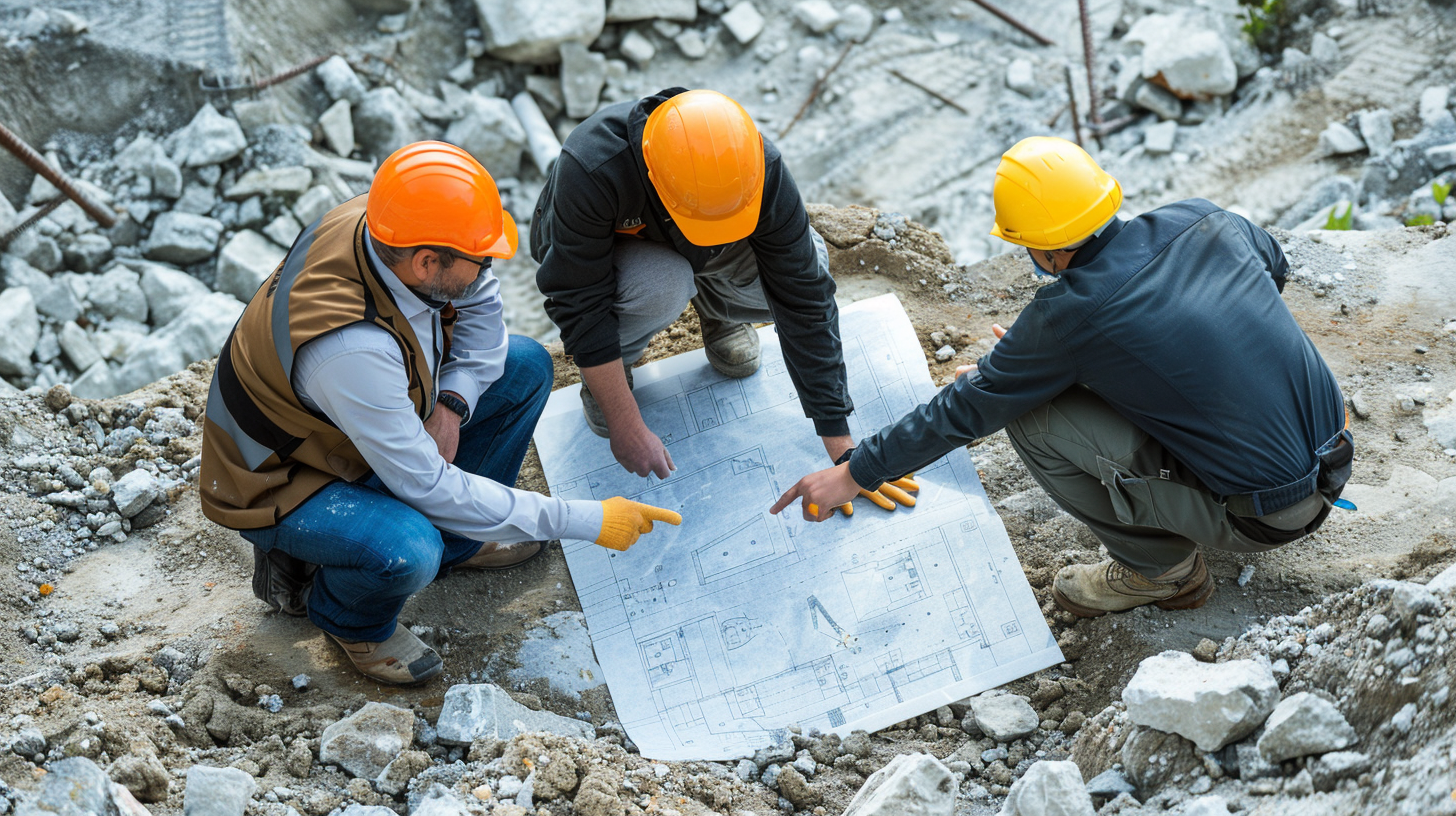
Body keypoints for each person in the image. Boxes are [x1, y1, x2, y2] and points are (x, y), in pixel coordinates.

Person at [771, 136, 1352, 617]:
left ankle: (1163, 572)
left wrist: (856, 473)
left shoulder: (1068, 315)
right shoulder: (1205, 218)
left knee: (1030, 416)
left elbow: (964, 410)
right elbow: (1273, 269)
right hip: (1334, 455)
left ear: (1043, 251)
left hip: (1269, 516)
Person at [200, 142, 680, 685]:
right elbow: (427, 484)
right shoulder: (350, 349)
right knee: (409, 548)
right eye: (480, 259)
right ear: (429, 262)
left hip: (350, 426)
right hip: (282, 476)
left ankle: (463, 542)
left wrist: (451, 405)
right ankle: (341, 611)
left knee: (523, 366)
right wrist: (586, 520)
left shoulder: (393, 227)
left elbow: (484, 317)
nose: (488, 269)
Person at [530, 87, 918, 514]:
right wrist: (624, 420)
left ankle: (719, 312)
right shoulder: (592, 168)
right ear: (657, 184)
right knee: (664, 281)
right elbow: (578, 301)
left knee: (813, 256)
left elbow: (803, 297)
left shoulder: (752, 163)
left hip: (699, 248)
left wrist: (844, 451)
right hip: (620, 263)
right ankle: (613, 368)